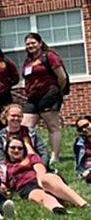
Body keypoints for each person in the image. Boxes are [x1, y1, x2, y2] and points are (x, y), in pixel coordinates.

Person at [2, 137, 87, 214]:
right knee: (41, 197)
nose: (16, 150)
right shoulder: (4, 166)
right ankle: (58, 209)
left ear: (24, 150)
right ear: (7, 150)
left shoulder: (31, 157)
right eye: (13, 148)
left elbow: (40, 170)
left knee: (46, 179)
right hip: (26, 187)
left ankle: (83, 204)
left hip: (44, 179)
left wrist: (41, 182)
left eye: (20, 148)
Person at [21, 32, 68, 164]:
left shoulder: (50, 56)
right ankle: (30, 154)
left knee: (52, 126)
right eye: (28, 44)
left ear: (40, 43)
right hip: (32, 98)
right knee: (25, 128)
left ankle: (55, 157)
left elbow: (62, 77)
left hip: (48, 95)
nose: (31, 46)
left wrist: (56, 91)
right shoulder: (28, 61)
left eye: (33, 43)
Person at [74, 115, 91, 183]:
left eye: (86, 125)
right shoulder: (79, 142)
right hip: (86, 169)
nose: (84, 129)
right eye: (80, 129)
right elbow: (77, 159)